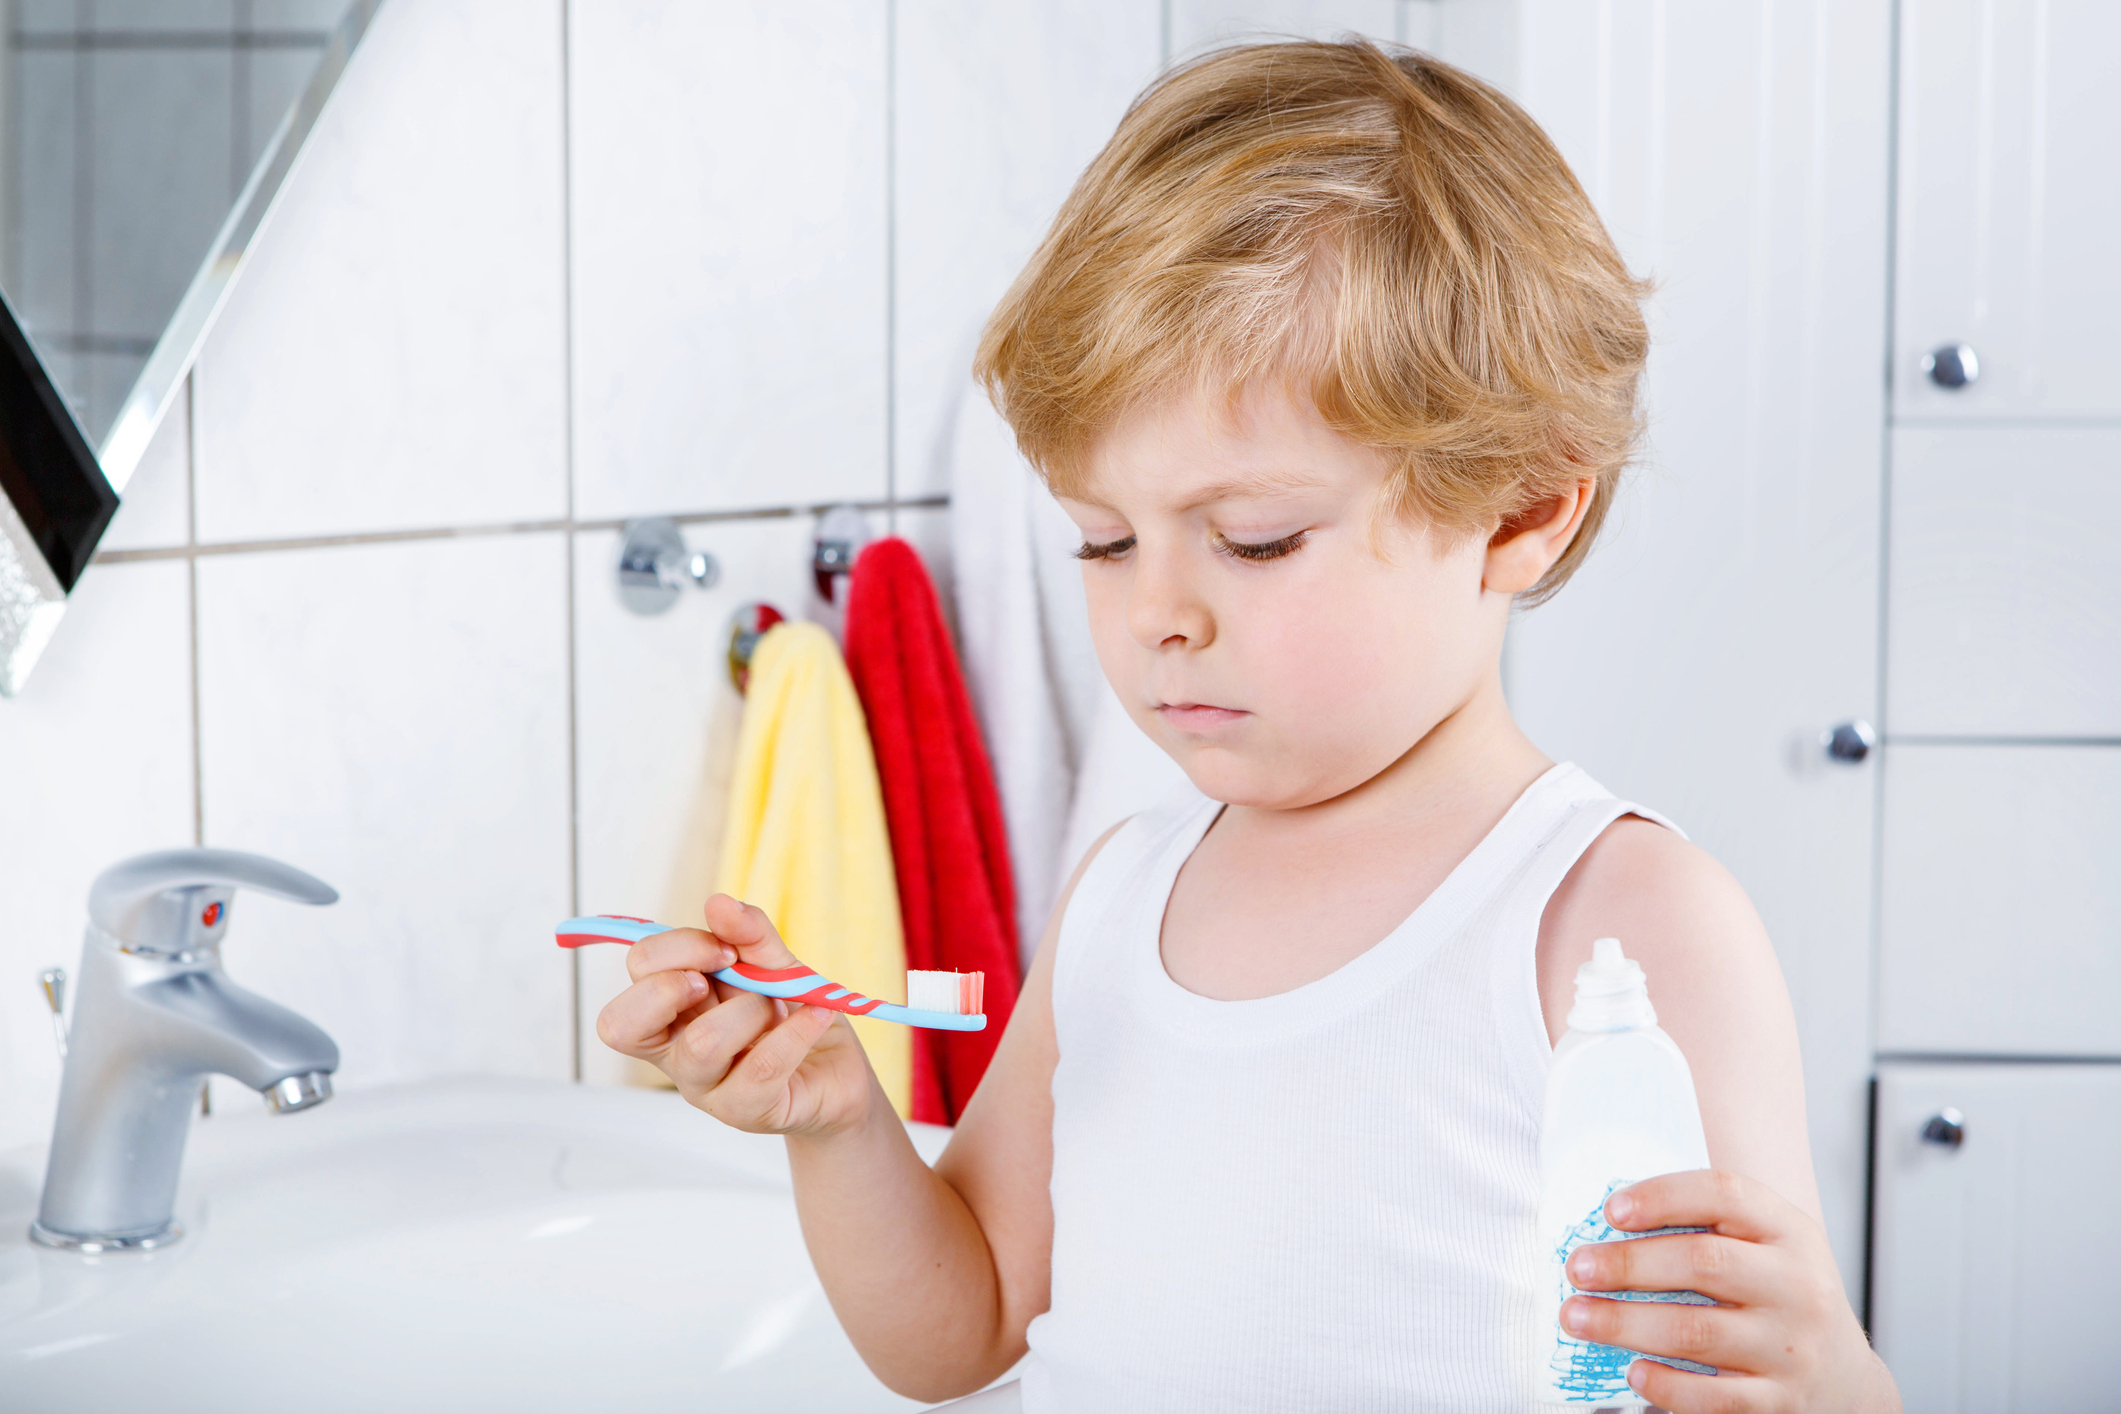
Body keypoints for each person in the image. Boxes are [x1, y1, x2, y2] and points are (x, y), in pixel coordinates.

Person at [597, 39, 1901, 1414]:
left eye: (1253, 540)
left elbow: (1759, 1363)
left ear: (1517, 511)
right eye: (1103, 541)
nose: (1157, 611)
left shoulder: (1615, 921)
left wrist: (1839, 1384)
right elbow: (964, 1322)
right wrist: (841, 1118)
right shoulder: (1125, 896)